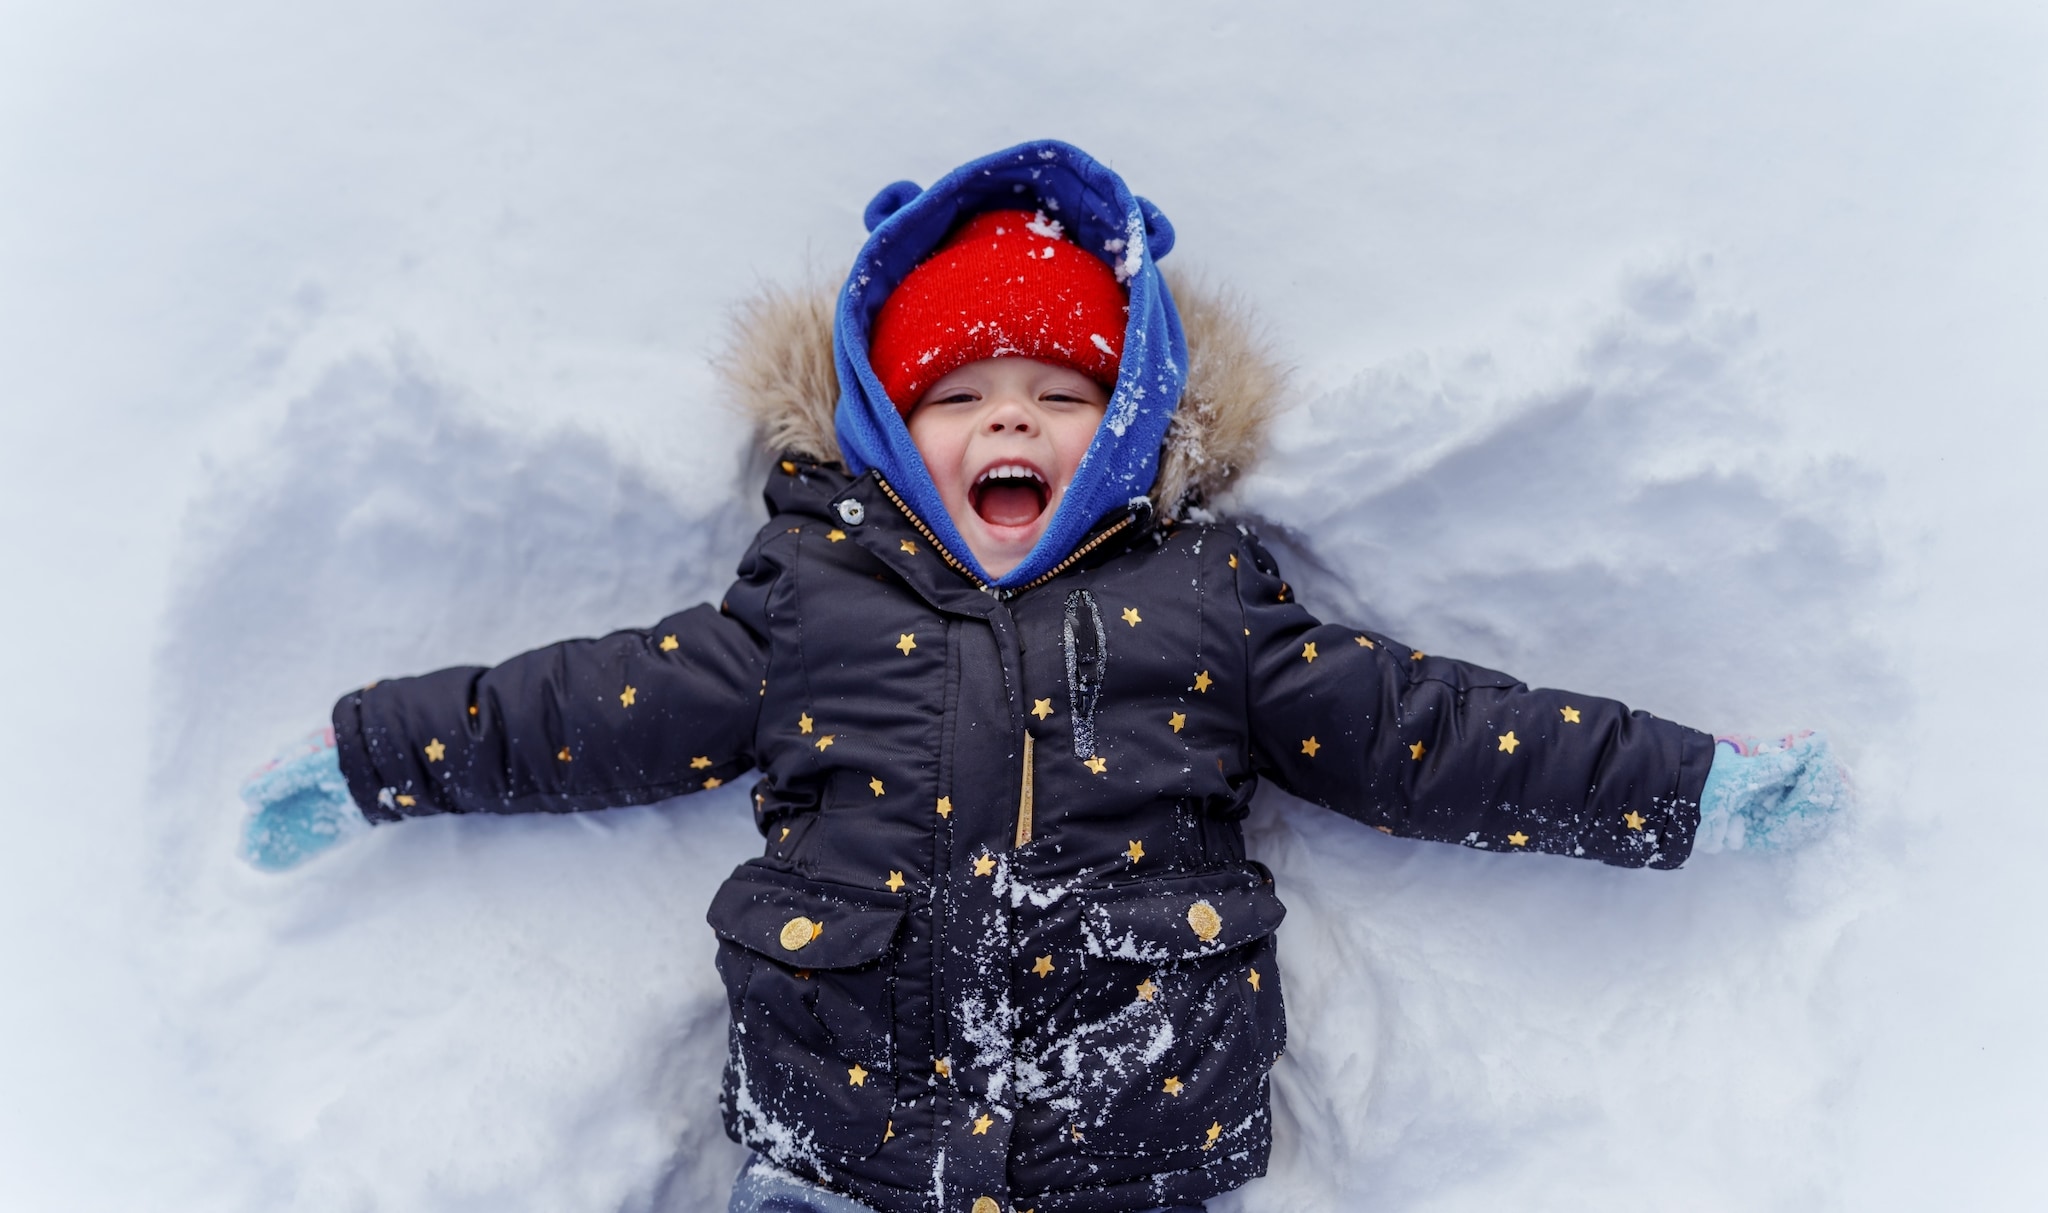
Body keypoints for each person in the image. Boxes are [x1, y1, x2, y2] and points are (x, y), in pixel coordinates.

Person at [238, 141, 1849, 1213]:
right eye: (960, 393)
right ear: (884, 431)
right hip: (840, 1157)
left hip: (1139, 1150)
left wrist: (1681, 786)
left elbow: (1427, 732)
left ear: (1132, 421)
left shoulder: (1206, 602)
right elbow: (589, 706)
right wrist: (379, 750)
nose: (1009, 421)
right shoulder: (807, 601)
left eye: (1060, 387)